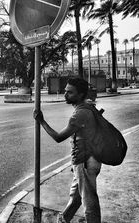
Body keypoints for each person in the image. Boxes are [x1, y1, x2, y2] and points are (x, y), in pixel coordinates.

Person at [33, 78, 101, 223]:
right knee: (76, 196)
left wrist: (41, 121)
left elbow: (58, 137)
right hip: (86, 160)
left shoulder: (80, 114)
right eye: (65, 91)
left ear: (81, 94)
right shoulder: (88, 107)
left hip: (85, 162)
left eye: (70, 92)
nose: (65, 95)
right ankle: (64, 219)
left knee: (89, 202)